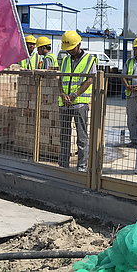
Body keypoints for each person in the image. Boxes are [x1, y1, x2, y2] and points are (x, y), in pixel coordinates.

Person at [58, 30, 97, 172]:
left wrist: (75, 94)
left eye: (71, 48)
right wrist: (62, 94)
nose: (69, 51)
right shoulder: (65, 60)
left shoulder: (90, 60)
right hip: (64, 104)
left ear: (79, 45)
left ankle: (81, 166)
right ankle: (63, 164)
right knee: (64, 136)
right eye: (67, 49)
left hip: (79, 103)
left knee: (81, 137)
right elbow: (60, 79)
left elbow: (90, 80)